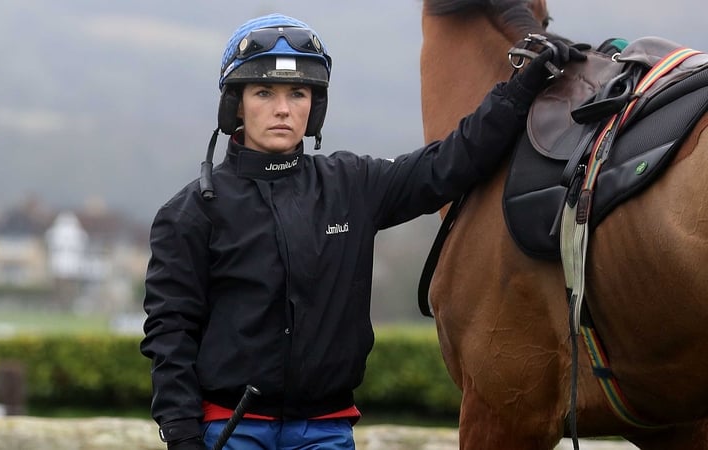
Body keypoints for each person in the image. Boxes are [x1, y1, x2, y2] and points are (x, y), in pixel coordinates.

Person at [140, 13, 584, 450]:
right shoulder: (189, 213)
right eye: (263, 92)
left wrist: (521, 87)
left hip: (325, 432)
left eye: (298, 93)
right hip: (231, 432)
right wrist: (182, 435)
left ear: (314, 108)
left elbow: (450, 162)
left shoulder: (351, 184)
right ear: (235, 104)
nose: (282, 109)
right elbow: (169, 334)